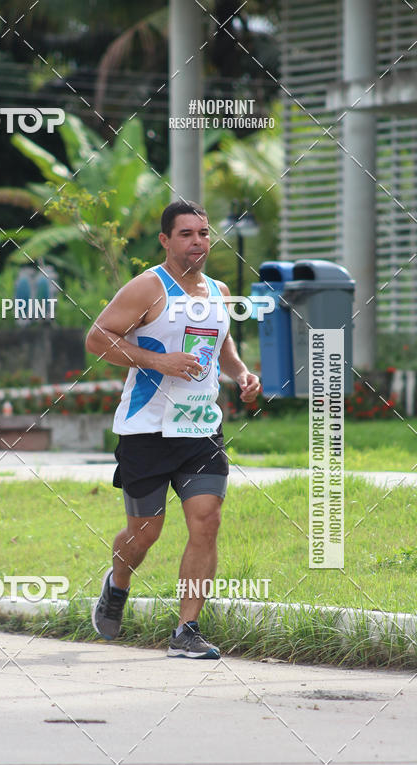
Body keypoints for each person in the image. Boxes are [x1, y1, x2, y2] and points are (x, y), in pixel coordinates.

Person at [85, 200, 260, 659]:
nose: (197, 242)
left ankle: (187, 630)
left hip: (201, 428)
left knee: (207, 521)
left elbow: (221, 344)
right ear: (165, 240)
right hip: (146, 430)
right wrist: (158, 360)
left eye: (203, 233)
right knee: (144, 532)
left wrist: (241, 373)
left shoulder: (219, 291)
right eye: (186, 234)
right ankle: (117, 582)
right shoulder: (148, 287)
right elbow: (98, 338)